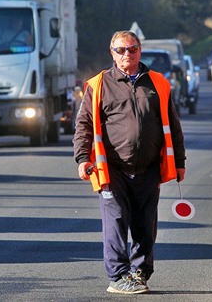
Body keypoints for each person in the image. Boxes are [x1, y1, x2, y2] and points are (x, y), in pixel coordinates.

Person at [73, 30, 186, 295]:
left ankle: (140, 273)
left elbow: (173, 126)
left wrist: (179, 161)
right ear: (112, 53)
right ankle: (118, 275)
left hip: (148, 168)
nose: (127, 54)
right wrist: (81, 158)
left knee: (145, 224)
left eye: (132, 49)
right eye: (121, 50)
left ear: (140, 51)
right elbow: (84, 125)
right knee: (116, 220)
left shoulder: (158, 83)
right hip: (112, 168)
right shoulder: (98, 84)